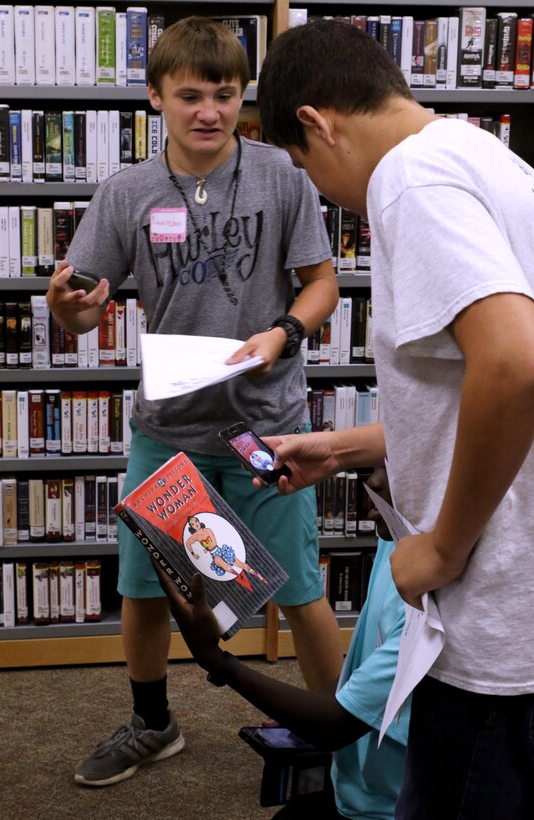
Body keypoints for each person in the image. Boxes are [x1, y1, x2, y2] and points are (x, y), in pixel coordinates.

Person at [46, 16, 343, 787]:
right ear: (155, 98)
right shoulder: (128, 192)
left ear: (241, 95)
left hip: (268, 427)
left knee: (301, 593)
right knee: (143, 592)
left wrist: (281, 333)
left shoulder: (282, 175)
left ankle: (339, 735)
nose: (208, 110)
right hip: (168, 428)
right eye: (189, 95)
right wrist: (68, 307)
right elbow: (81, 312)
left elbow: (321, 283)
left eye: (224, 93)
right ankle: (153, 724)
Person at [254, 19, 534, 820]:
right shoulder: (482, 155)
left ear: (315, 122)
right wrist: (344, 447)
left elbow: (511, 363)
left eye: (305, 168)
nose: (320, 191)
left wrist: (440, 549)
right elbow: (476, 383)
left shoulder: (408, 181)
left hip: (491, 623)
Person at [158, 466, 409, 819]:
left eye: (396, 467)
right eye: (375, 464)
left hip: (386, 809)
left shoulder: (433, 605)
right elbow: (361, 677)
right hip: (353, 789)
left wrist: (216, 660)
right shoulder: (396, 539)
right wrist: (301, 711)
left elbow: (335, 724)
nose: (372, 482)